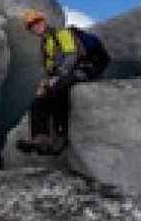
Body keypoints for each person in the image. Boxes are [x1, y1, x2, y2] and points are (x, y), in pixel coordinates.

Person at [18, 9, 99, 156]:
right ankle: (40, 138)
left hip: (82, 69)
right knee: (38, 101)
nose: (36, 26)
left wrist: (58, 76)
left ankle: (61, 137)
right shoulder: (45, 43)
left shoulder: (61, 33)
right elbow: (50, 68)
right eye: (31, 25)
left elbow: (72, 55)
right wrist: (46, 81)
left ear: (43, 21)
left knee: (59, 90)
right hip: (62, 75)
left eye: (37, 22)